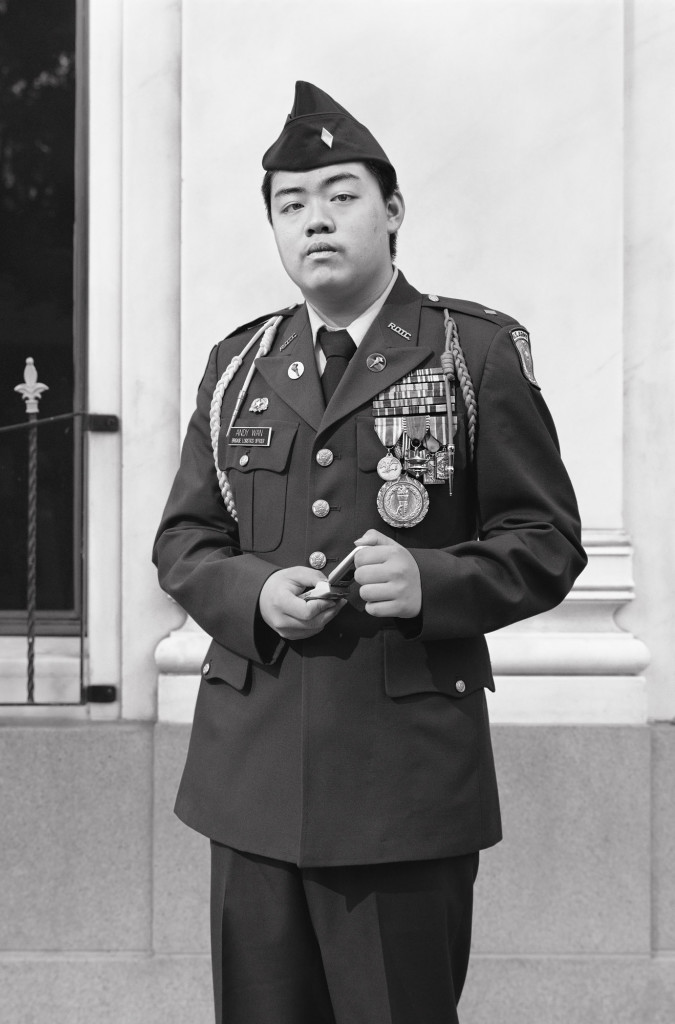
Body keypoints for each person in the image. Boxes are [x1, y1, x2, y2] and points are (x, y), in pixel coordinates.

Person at [153, 81, 586, 1024]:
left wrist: (431, 580)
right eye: (290, 203)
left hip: (402, 787)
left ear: (392, 213)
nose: (315, 220)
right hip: (252, 782)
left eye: (341, 195)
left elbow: (546, 541)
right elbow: (185, 540)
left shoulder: (471, 356)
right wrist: (254, 595)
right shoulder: (238, 369)